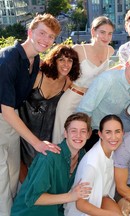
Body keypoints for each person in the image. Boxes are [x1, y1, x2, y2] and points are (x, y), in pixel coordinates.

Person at [0, 13, 61, 216]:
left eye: (50, 37)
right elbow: (6, 111)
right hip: (5, 115)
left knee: (14, 172)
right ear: (30, 32)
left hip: (11, 119)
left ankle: (16, 211)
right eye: (41, 33)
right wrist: (37, 143)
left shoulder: (34, 62)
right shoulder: (8, 58)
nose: (45, 40)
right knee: (1, 179)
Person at [11, 112, 92, 216]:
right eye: (73, 131)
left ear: (88, 135)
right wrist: (70, 196)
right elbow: (33, 198)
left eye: (83, 131)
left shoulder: (83, 156)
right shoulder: (49, 157)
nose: (78, 135)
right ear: (66, 133)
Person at [19, 44, 80, 177]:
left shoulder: (67, 82)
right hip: (24, 132)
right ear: (54, 60)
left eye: (70, 60)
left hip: (47, 134)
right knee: (23, 172)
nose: (66, 64)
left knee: (39, 173)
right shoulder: (39, 76)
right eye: (61, 59)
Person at [53, 16, 115, 144]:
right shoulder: (79, 50)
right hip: (72, 99)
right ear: (93, 31)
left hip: (91, 103)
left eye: (110, 33)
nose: (106, 37)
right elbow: (63, 71)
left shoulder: (110, 51)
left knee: (82, 139)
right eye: (102, 32)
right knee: (61, 136)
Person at [77, 50, 130, 150]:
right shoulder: (107, 80)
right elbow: (83, 110)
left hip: (114, 129)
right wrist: (85, 135)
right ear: (127, 64)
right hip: (95, 132)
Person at [65, 115, 123, 216]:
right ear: (100, 134)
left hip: (100, 201)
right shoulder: (92, 164)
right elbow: (80, 204)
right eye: (108, 132)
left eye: (117, 131)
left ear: (123, 133)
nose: (114, 137)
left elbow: (104, 194)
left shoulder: (111, 152)